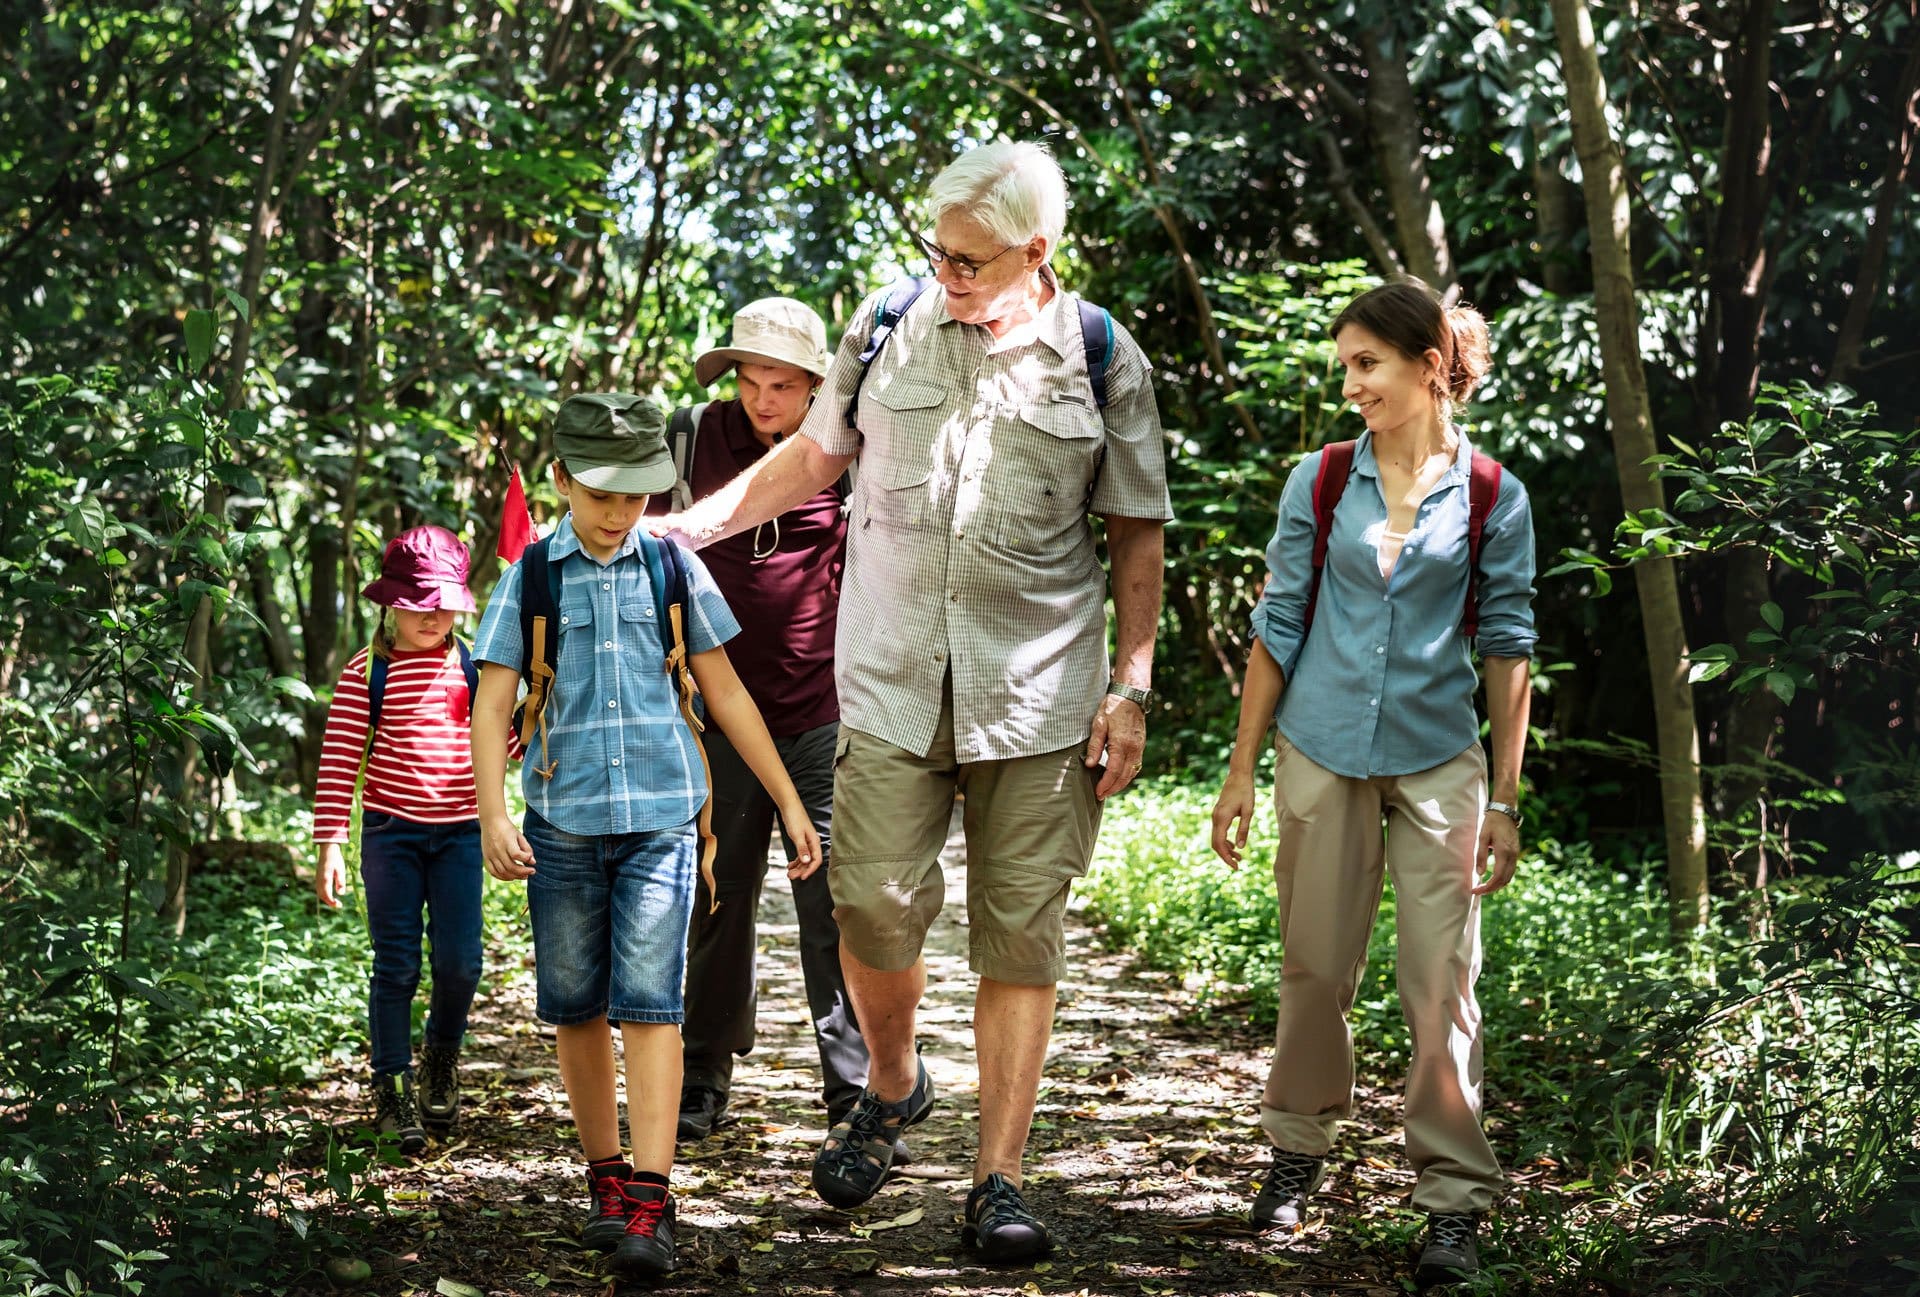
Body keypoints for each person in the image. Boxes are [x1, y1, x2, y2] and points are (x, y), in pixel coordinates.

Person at [653, 140, 1171, 1262]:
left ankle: (998, 1177)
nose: (949, 272)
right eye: (937, 251)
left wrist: (1131, 684)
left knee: (1018, 935)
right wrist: (684, 527)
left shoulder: (1099, 355)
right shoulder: (889, 321)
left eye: (973, 260)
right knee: (873, 905)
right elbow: (812, 459)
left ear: (1038, 254)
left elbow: (1136, 527)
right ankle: (893, 1081)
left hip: (1039, 693)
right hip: (886, 678)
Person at [1209, 279, 1536, 1286]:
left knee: (1442, 982)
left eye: (1367, 364)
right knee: (1314, 964)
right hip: (1320, 746)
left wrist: (1507, 799)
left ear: (1430, 367)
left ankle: (1450, 1205)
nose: (1349, 384)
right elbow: (1278, 627)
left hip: (1441, 758)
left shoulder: (1493, 494)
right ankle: (1296, 1153)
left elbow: (1509, 647)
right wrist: (1240, 770)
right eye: (1344, 364)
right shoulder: (1320, 480)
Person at [469, 393, 824, 1281]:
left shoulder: (671, 568)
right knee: (578, 1006)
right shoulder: (533, 576)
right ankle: (605, 1179)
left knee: (651, 1004)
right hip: (563, 824)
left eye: (635, 495)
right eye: (601, 493)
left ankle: (652, 1199)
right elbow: (492, 702)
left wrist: (784, 797)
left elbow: (728, 690)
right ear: (561, 480)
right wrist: (492, 814)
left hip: (664, 821)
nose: (618, 511)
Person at [646, 299, 883, 1151]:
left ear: (819, 383)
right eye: (749, 380)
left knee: (834, 901)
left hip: (825, 709)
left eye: (782, 383)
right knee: (720, 894)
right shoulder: (689, 441)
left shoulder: (848, 448)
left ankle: (854, 1091)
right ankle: (705, 1073)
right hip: (714, 714)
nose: (762, 399)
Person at [312, 524, 492, 1156]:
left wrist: (532, 715)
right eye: (420, 603)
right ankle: (391, 1085)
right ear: (391, 602)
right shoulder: (369, 669)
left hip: (460, 838)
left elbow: (500, 746)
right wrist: (330, 842)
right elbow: (339, 758)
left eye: (445, 603)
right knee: (397, 966)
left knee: (459, 962)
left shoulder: (470, 664)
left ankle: (441, 1057)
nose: (434, 616)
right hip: (390, 835)